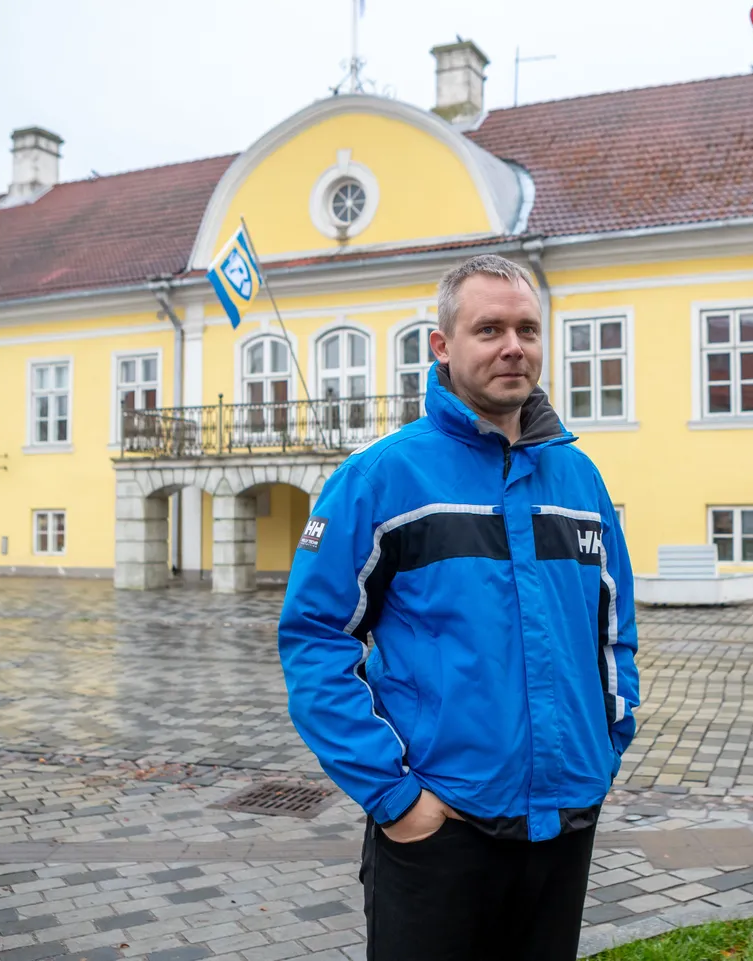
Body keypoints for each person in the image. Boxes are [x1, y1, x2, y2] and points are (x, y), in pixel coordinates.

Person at [278, 254, 640, 959]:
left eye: (528, 329)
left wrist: (608, 741)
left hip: (565, 818)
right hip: (441, 826)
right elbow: (316, 637)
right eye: (490, 328)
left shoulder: (579, 478)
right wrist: (395, 797)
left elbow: (614, 627)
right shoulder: (382, 477)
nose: (514, 346)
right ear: (443, 346)